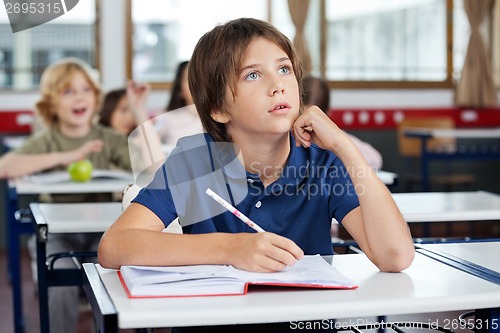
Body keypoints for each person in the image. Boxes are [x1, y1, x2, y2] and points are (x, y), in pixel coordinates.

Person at [99, 18, 414, 332]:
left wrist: (344, 145)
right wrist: (231, 249)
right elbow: (114, 247)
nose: (277, 85)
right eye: (252, 75)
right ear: (219, 108)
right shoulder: (194, 162)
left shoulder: (324, 163)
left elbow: (395, 256)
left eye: (284, 69)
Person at [0, 58, 133, 333]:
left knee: (116, 281)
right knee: (56, 280)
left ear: (95, 97)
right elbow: (6, 167)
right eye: (67, 91)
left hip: (103, 228)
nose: (78, 97)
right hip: (58, 229)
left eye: (85, 90)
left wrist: (140, 110)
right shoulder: (48, 140)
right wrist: (68, 156)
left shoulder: (108, 138)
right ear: (51, 103)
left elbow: (147, 166)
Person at [302, 75, 383, 170]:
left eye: (312, 123)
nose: (307, 130)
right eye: (301, 119)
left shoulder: (335, 137)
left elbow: (375, 159)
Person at [155, 61, 204, 148]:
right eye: (190, 79)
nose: (197, 84)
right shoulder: (168, 118)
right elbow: (143, 144)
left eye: (201, 77)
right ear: (180, 90)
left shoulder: (220, 117)